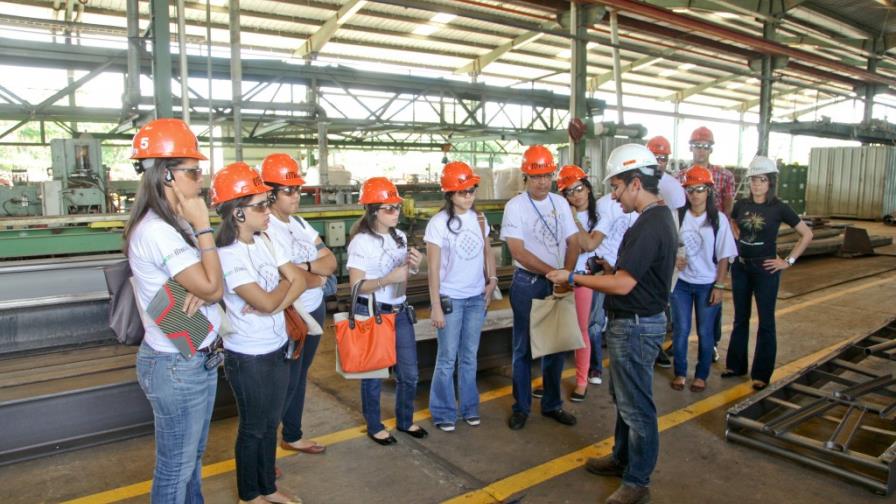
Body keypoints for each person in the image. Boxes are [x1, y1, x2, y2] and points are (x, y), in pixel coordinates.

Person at [547, 143, 676, 504]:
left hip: (636, 324)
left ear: (636, 183)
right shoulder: (653, 220)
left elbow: (624, 284)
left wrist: (575, 277)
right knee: (625, 398)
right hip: (632, 319)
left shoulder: (651, 224)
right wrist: (607, 270)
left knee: (637, 406)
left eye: (617, 187)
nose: (614, 197)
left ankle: (637, 481)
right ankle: (622, 458)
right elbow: (626, 275)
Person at [125, 118, 224, 503]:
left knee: (191, 461)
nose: (201, 179)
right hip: (176, 364)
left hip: (195, 356)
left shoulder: (173, 223)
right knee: (175, 469)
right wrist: (204, 228)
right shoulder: (159, 230)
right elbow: (214, 287)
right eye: (194, 171)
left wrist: (204, 281)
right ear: (167, 175)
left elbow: (211, 283)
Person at [212, 162, 306, 504]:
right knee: (252, 427)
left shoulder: (265, 240)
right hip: (247, 356)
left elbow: (298, 280)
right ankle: (249, 495)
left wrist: (277, 302)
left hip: (277, 345)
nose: (268, 211)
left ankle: (268, 487)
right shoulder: (228, 255)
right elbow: (271, 296)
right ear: (237, 213)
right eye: (261, 206)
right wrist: (280, 292)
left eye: (268, 202)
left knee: (270, 425)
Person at [260, 153, 336, 456]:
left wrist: (306, 269)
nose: (296, 196)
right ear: (270, 192)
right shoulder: (266, 230)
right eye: (289, 191)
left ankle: (292, 434)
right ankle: (263, 455)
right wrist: (311, 274)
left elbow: (330, 261)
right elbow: (287, 278)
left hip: (314, 310)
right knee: (284, 381)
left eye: (298, 190)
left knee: (300, 375)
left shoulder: (300, 223)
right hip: (290, 313)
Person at [501, 145, 579, 431]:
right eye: (536, 176)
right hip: (528, 284)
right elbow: (518, 251)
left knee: (555, 346)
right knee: (523, 348)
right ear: (526, 177)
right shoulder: (516, 206)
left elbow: (574, 242)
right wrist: (554, 274)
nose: (542, 182)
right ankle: (521, 407)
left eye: (547, 175)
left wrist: (567, 276)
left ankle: (551, 404)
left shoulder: (560, 203)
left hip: (558, 282)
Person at [346, 177, 427, 445]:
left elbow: (401, 277)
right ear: (372, 211)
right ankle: (374, 424)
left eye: (397, 207)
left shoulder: (400, 237)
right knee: (375, 374)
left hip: (400, 311)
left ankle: (405, 420)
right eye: (389, 208)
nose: (396, 212)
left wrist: (413, 267)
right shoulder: (361, 242)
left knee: (410, 373)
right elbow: (357, 286)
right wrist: (387, 279)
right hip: (375, 313)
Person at [723, 156, 813, 391]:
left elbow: (806, 234)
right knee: (740, 318)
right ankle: (736, 366)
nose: (757, 184)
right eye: (753, 179)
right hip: (741, 268)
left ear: (771, 182)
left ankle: (761, 373)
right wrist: (736, 234)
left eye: (762, 180)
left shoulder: (779, 208)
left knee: (766, 322)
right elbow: (731, 221)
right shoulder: (741, 204)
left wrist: (788, 261)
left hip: (766, 270)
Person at [426, 161, 497, 432]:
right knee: (447, 358)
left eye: (471, 190)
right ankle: (444, 412)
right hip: (450, 299)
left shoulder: (480, 219)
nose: (468, 196)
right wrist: (435, 306)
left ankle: (469, 407)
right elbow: (433, 268)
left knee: (470, 356)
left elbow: (487, 252)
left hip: (476, 298)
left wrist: (491, 281)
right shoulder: (439, 224)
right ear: (449, 194)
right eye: (462, 191)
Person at [669, 165, 737, 393]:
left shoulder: (718, 220)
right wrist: (673, 260)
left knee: (706, 332)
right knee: (681, 330)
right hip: (682, 284)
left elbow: (725, 256)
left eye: (700, 189)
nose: (695, 195)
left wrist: (719, 285)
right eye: (690, 190)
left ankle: (701, 375)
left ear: (708, 191)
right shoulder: (678, 216)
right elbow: (667, 245)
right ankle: (680, 372)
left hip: (708, 284)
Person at [689, 126, 735, 362]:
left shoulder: (724, 176)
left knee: (713, 295)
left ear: (711, 149)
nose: (701, 150)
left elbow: (727, 206)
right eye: (697, 146)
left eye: (705, 146)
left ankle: (712, 342)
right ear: (691, 148)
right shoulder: (682, 176)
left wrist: (725, 230)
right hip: (690, 240)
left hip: (714, 239)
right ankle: (679, 339)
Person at [557, 164, 598, 401]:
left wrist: (573, 219)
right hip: (560, 277)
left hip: (582, 279)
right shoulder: (558, 213)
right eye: (569, 192)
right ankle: (552, 379)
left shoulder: (597, 216)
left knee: (581, 331)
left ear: (588, 188)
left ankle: (581, 381)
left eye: (579, 188)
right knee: (556, 331)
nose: (576, 195)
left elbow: (585, 244)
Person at [647, 135, 687, 369]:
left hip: (666, 249)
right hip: (644, 246)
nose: (659, 162)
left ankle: (656, 346)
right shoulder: (637, 181)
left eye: (663, 158)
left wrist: (679, 251)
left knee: (661, 300)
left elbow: (680, 222)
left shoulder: (672, 186)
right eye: (655, 157)